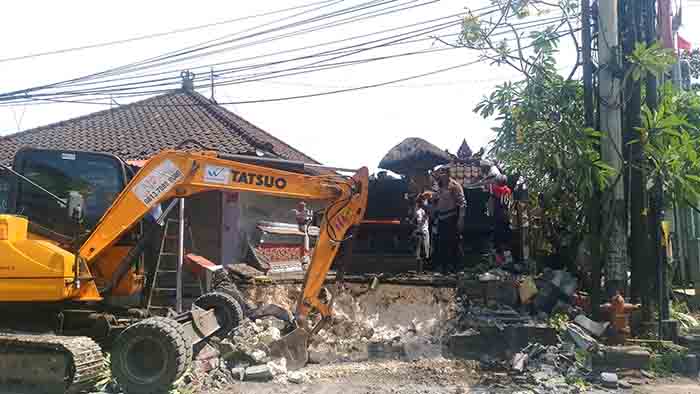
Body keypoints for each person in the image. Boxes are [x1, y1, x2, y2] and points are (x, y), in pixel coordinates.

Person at [433, 168, 466, 274]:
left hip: (452, 217)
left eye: (442, 173)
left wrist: (461, 219)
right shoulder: (438, 186)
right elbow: (435, 203)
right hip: (440, 218)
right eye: (439, 174)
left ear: (447, 174)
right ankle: (444, 267)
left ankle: (457, 268)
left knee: (454, 243)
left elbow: (462, 203)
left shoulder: (454, 186)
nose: (440, 176)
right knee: (441, 243)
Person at [413, 196, 430, 273]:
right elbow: (419, 221)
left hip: (424, 232)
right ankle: (419, 270)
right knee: (419, 252)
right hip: (420, 232)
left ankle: (422, 270)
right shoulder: (419, 211)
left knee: (425, 251)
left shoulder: (424, 210)